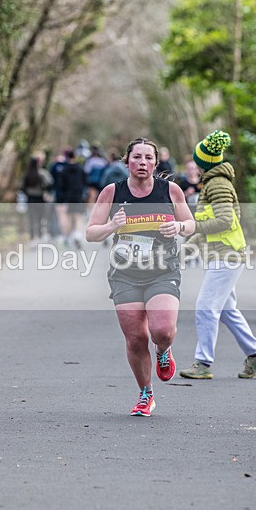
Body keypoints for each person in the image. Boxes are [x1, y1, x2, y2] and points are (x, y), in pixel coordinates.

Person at [85, 137, 195, 417]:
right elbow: (91, 233)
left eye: (148, 158)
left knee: (163, 331)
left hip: (162, 271)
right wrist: (111, 225)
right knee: (135, 338)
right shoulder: (112, 192)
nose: (142, 163)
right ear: (127, 161)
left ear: (156, 163)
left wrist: (179, 226)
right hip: (125, 275)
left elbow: (190, 224)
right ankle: (146, 393)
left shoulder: (170, 191)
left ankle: (163, 351)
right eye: (136, 157)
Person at [177, 131, 256, 380]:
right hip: (223, 253)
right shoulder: (213, 181)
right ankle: (255, 354)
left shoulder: (217, 183)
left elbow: (226, 221)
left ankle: (203, 362)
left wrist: (194, 230)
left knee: (206, 308)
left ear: (202, 162)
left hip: (227, 256)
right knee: (227, 310)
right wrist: (188, 246)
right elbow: (211, 225)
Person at [20, 156, 53, 244]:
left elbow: (22, 187)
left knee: (32, 219)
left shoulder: (27, 175)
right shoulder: (42, 173)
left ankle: (33, 239)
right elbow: (49, 184)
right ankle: (40, 237)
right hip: (40, 199)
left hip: (30, 199)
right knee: (40, 218)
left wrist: (27, 193)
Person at [59, 150, 86, 248]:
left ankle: (68, 238)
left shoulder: (64, 170)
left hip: (68, 197)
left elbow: (61, 185)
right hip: (78, 196)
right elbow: (84, 182)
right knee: (78, 217)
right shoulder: (80, 169)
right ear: (75, 157)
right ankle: (78, 236)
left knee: (69, 218)